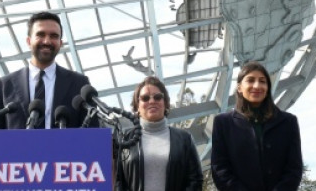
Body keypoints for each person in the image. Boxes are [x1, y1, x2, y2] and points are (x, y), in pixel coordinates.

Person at [210, 61, 303, 191]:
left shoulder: (288, 122)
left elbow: (294, 168)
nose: (257, 85)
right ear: (239, 88)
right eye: (250, 80)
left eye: (262, 81)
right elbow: (219, 168)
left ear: (268, 88)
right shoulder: (223, 123)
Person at [0, 11, 90, 129]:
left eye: (54, 36)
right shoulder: (5, 85)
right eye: (40, 35)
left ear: (60, 43)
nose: (47, 41)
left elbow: (92, 132)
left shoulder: (80, 84)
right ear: (28, 41)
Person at [115, 76, 203, 191]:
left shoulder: (184, 139)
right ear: (137, 107)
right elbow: (117, 181)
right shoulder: (124, 140)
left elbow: (195, 180)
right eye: (145, 98)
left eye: (158, 97)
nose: (152, 101)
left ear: (165, 103)